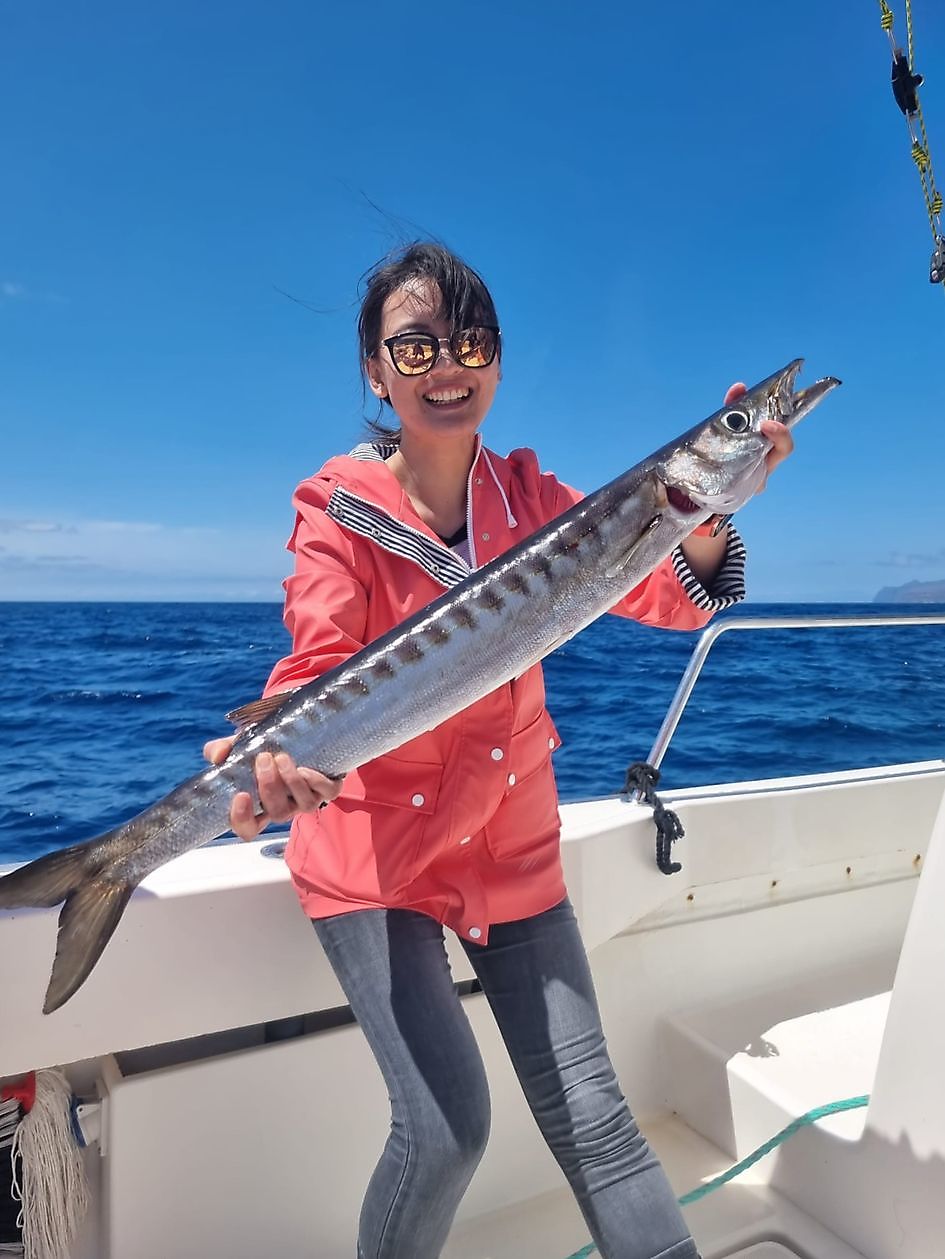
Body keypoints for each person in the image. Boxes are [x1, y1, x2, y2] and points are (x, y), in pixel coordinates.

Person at [204, 242, 793, 1259]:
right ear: (375, 370)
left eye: (470, 342)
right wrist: (285, 748)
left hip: (508, 840)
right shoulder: (336, 505)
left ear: (499, 360)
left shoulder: (533, 496)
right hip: (375, 853)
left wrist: (714, 503)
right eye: (415, 345)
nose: (446, 365)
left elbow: (668, 594)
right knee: (445, 1131)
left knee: (599, 1121)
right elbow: (319, 655)